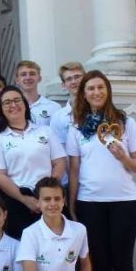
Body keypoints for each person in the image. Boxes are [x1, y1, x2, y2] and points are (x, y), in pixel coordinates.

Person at [67, 70, 136, 271]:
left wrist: (123, 156)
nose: (96, 93)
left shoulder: (125, 123)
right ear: (83, 94)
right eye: (91, 89)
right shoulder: (77, 127)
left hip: (124, 203)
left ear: (107, 91)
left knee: (122, 265)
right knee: (98, 264)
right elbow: (74, 169)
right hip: (90, 204)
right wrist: (73, 204)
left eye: (100, 87)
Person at [0, 86, 66, 240]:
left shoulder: (45, 131)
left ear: (25, 104)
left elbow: (59, 162)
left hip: (49, 200)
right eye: (7, 102)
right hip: (17, 202)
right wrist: (24, 199)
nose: (13, 105)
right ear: (1, 109)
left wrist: (48, 193)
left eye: (17, 100)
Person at [50, 62, 85, 197]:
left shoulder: (98, 112)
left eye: (77, 77)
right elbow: (59, 153)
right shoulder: (58, 117)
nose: (74, 81)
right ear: (63, 85)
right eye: (69, 79)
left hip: (96, 180)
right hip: (69, 181)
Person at [14, 61, 61, 127]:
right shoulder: (12, 107)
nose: (28, 77)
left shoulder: (54, 107)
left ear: (39, 78)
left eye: (32, 74)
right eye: (23, 74)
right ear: (17, 80)